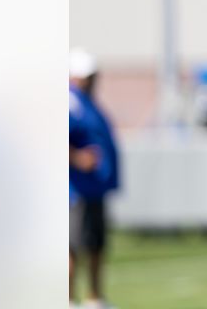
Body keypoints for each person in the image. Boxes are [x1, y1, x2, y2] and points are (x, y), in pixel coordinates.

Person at [69, 48, 120, 309]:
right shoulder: (70, 101)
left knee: (94, 244)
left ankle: (93, 298)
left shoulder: (88, 103)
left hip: (94, 188)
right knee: (72, 246)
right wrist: (77, 157)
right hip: (75, 189)